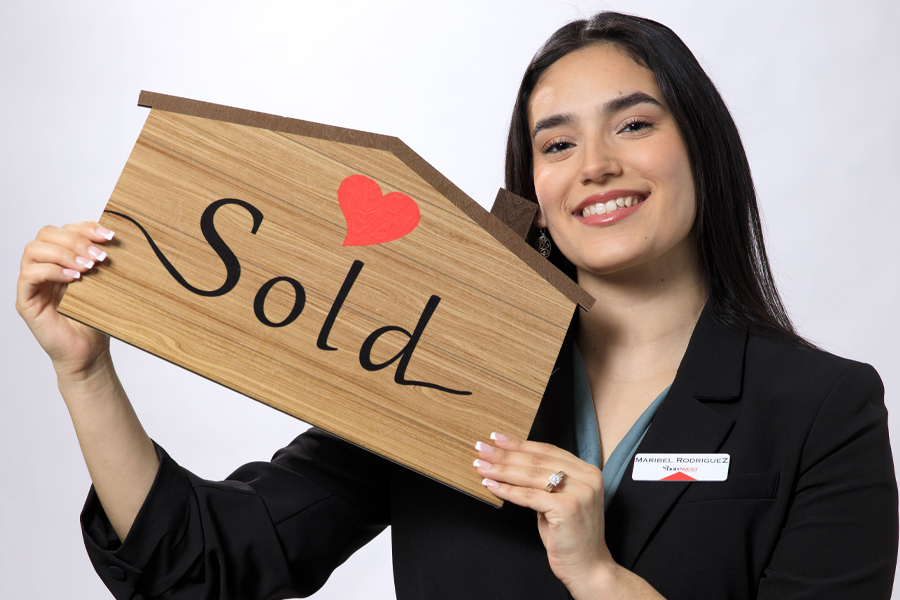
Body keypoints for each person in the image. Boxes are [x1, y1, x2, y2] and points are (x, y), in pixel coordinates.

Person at [15, 11, 897, 600]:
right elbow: (205, 567)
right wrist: (86, 372)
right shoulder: (436, 366)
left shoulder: (824, 409)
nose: (595, 165)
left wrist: (599, 577)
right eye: (558, 143)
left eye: (634, 124)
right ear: (535, 187)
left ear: (700, 146)